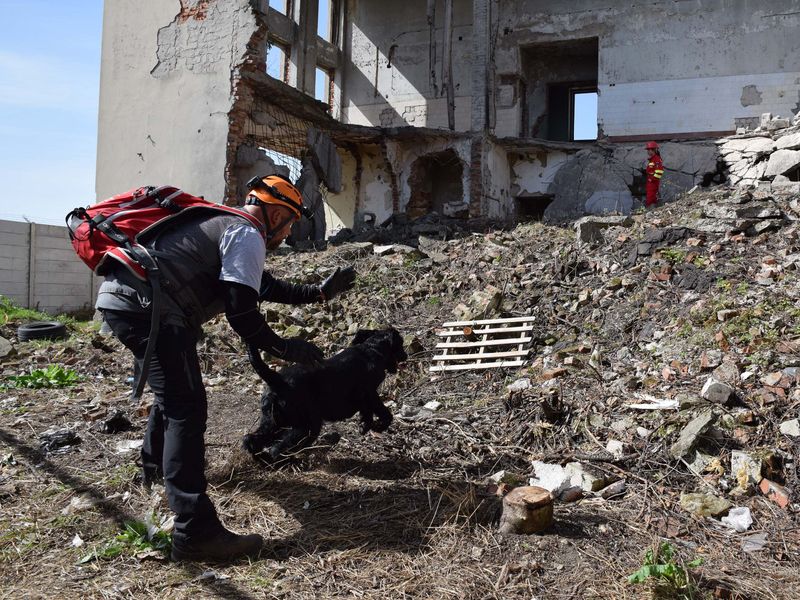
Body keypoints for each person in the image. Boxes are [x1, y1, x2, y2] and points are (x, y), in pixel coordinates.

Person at [95, 174, 356, 562]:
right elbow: (242, 313)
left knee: (173, 397)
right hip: (151, 310)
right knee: (186, 410)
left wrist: (318, 293)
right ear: (275, 214)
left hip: (130, 300)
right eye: (289, 223)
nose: (288, 233)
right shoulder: (246, 233)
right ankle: (195, 532)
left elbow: (263, 286)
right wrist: (286, 348)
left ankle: (154, 472)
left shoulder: (226, 223)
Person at [644, 141, 664, 207]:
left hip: (653, 182)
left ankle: (650, 209)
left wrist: (652, 179)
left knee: (651, 197)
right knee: (651, 196)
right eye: (648, 150)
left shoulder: (656, 159)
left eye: (649, 150)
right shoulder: (652, 159)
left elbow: (659, 171)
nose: (648, 151)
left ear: (654, 150)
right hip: (650, 181)